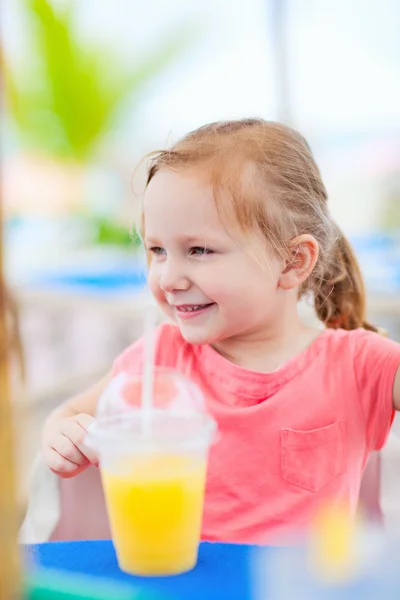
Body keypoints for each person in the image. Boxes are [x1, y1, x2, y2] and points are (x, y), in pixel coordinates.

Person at [41, 119, 400, 544]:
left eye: (199, 250)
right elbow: (68, 416)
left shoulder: (359, 365)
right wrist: (61, 433)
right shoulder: (160, 360)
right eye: (157, 250)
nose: (168, 277)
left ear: (293, 262)